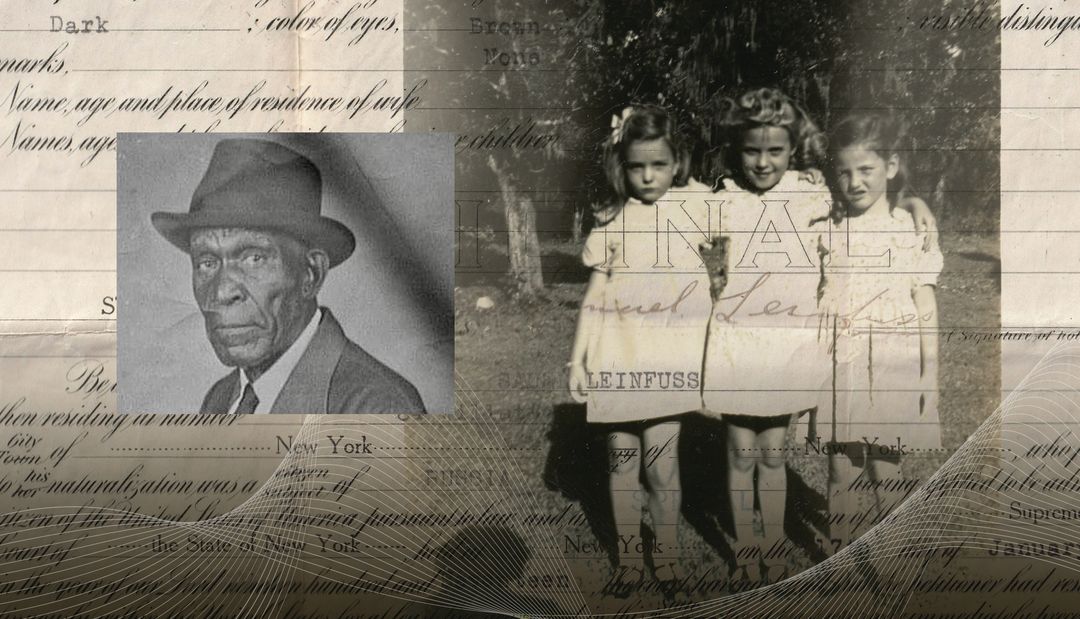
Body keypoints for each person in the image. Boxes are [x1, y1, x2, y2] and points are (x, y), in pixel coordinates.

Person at [699, 88, 936, 582]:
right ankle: (749, 547)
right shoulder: (720, 200)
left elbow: (871, 193)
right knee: (743, 452)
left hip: (790, 346)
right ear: (734, 149)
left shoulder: (811, 195)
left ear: (792, 149)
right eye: (751, 150)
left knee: (777, 453)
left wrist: (913, 201)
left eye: (775, 151)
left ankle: (781, 543)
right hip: (739, 346)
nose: (763, 162)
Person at [150, 138, 426, 415]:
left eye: (254, 258)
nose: (222, 291)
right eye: (207, 263)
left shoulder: (379, 406)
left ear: (311, 274)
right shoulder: (220, 400)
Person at [567, 105, 713, 586]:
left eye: (659, 165)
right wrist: (578, 358)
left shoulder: (694, 208)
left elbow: (763, 200)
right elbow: (594, 296)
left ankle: (666, 555)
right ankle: (631, 559)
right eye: (636, 166)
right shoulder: (610, 219)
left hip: (668, 362)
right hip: (616, 359)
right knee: (622, 467)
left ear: (677, 163)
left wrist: (913, 203)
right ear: (621, 165)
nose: (648, 176)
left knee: (662, 467)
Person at [813, 112, 943, 553]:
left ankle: (892, 557)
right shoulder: (827, 229)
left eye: (866, 170)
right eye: (844, 172)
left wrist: (929, 379)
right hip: (840, 365)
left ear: (890, 166)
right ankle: (839, 557)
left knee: (885, 469)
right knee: (840, 469)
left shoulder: (912, 232)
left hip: (892, 364)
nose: (855, 182)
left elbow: (926, 308)